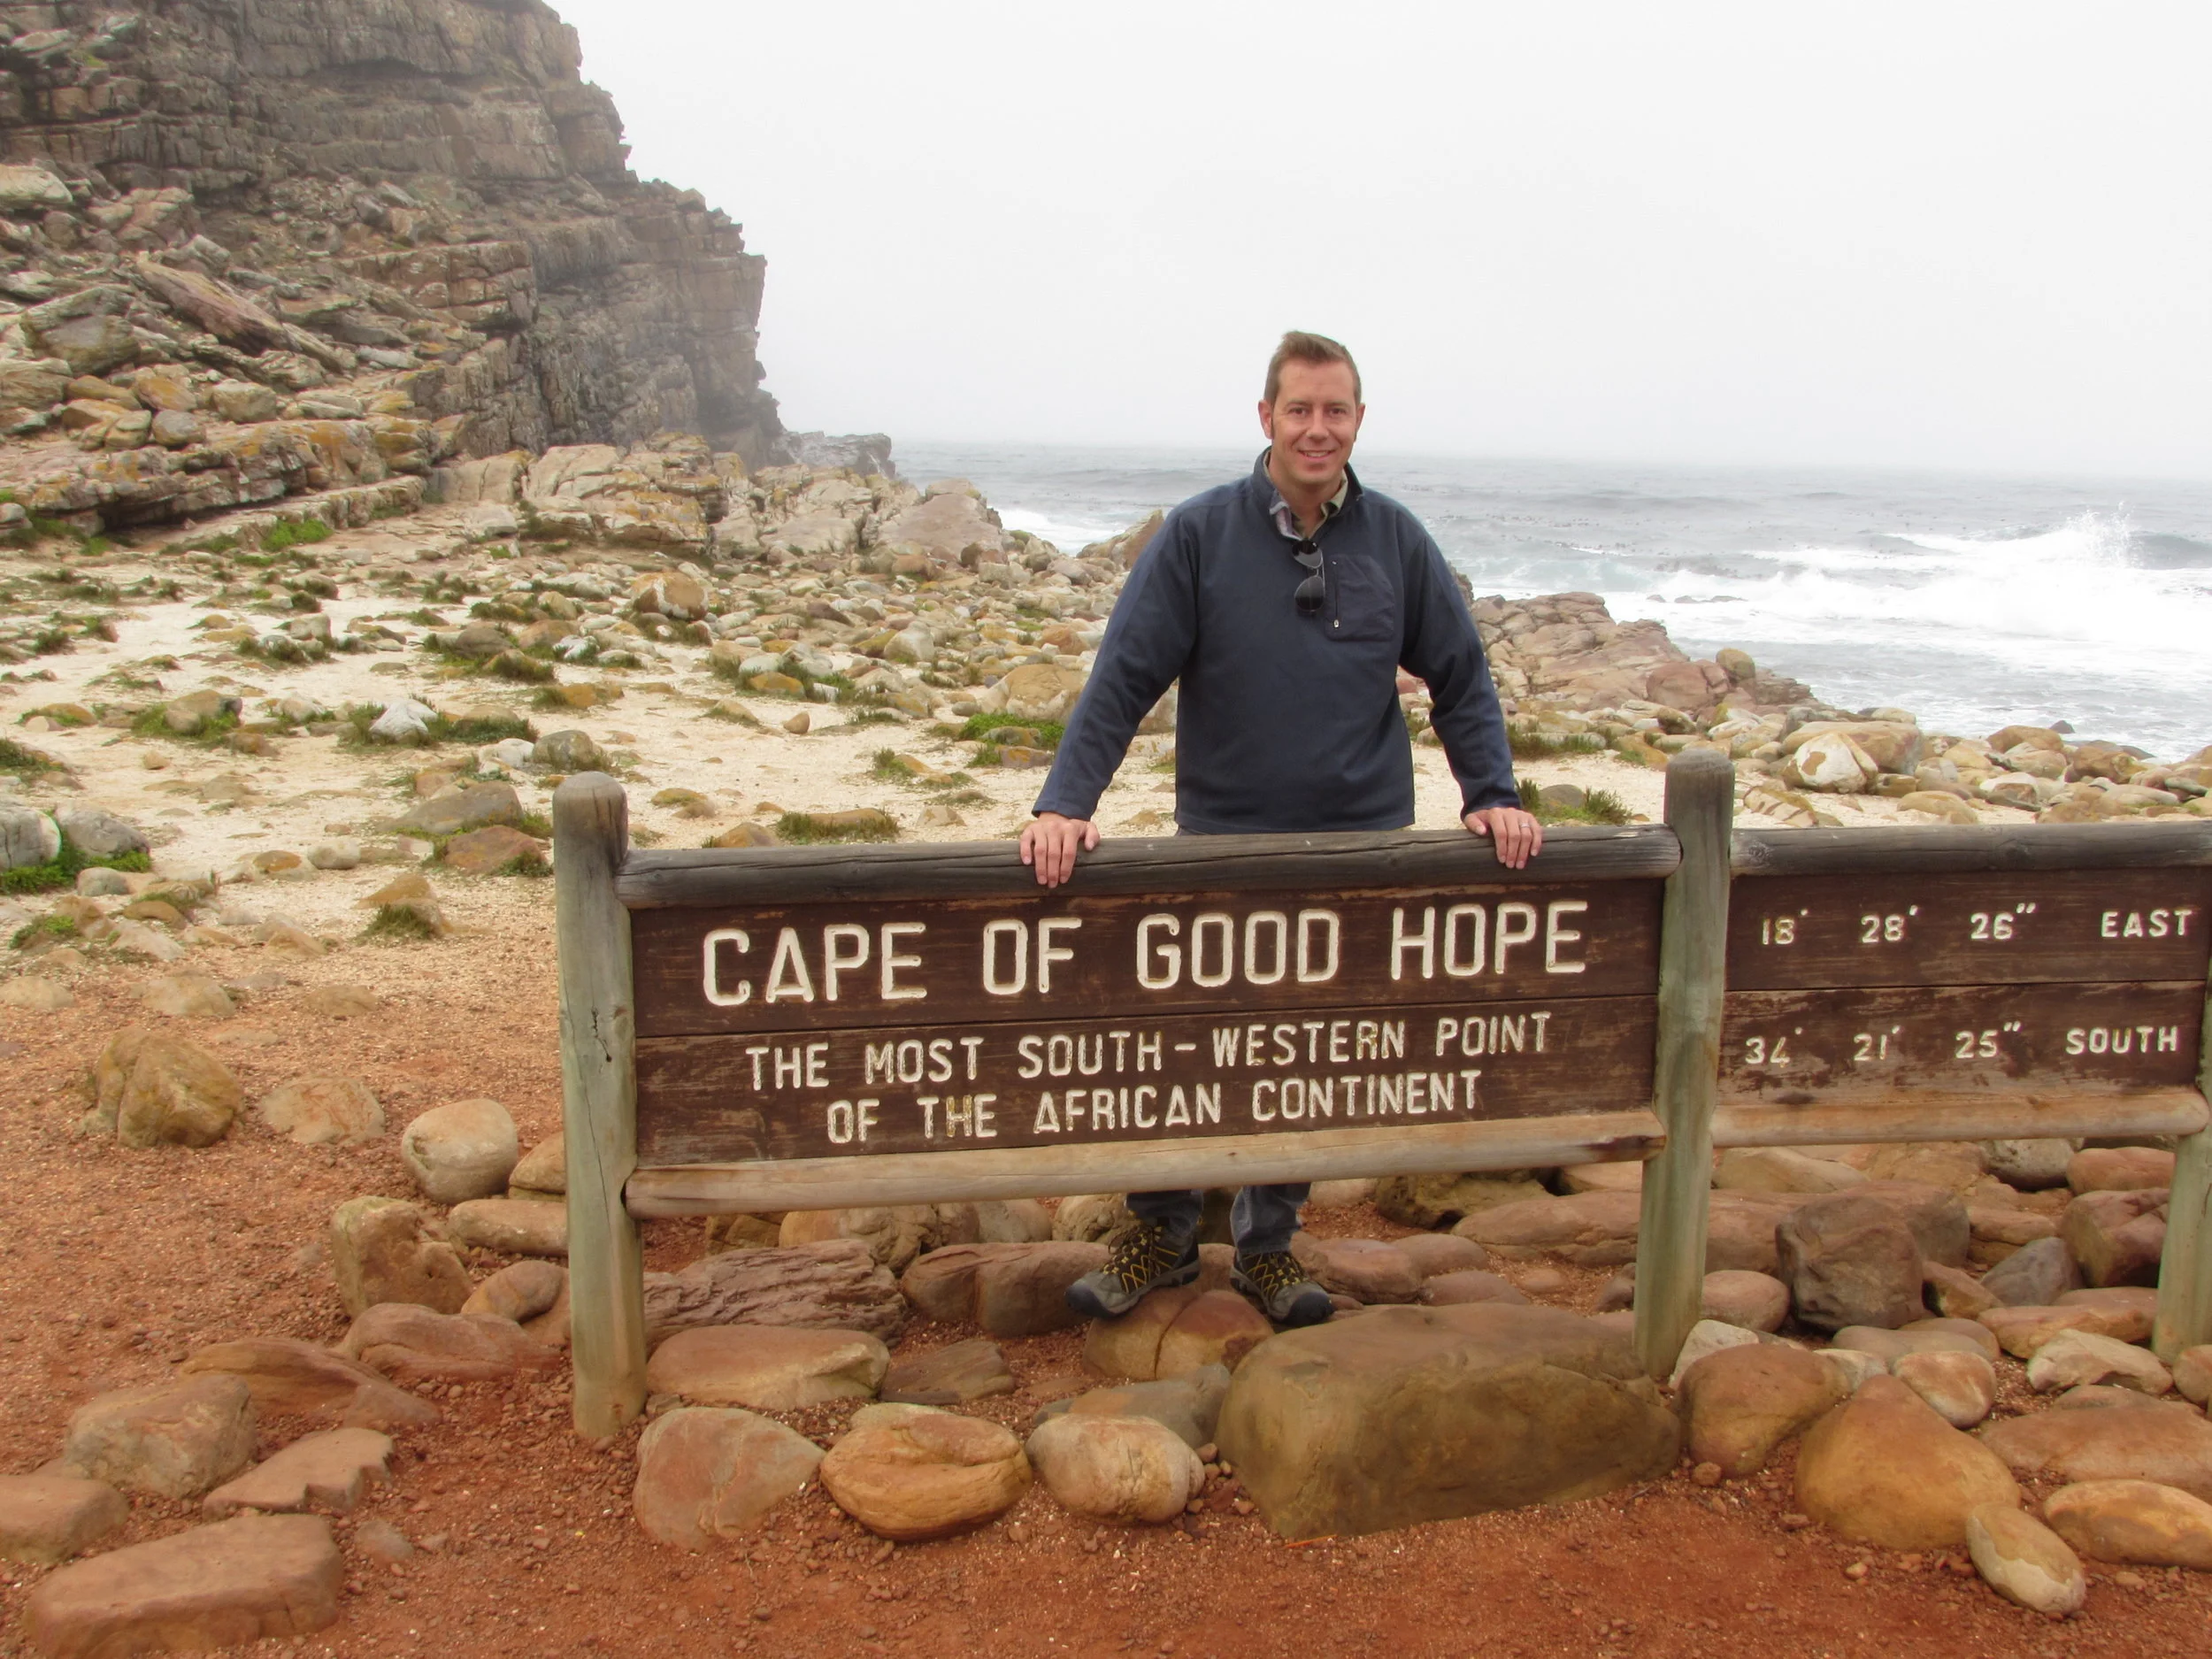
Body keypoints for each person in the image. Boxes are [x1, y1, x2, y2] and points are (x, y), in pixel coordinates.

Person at [1018, 329, 1543, 1327]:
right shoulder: (1200, 534)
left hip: (1358, 850)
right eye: (1298, 409)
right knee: (1180, 1045)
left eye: (1334, 410)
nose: (1316, 428)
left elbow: (1461, 675)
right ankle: (1161, 1236)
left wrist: (1492, 792)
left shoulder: (1396, 540)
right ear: (1265, 418)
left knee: (1312, 1053)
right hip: (1224, 842)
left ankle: (1266, 1246)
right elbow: (1125, 675)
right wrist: (1064, 804)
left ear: (1357, 421)